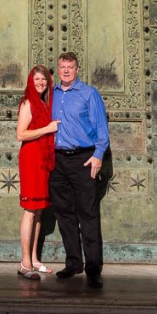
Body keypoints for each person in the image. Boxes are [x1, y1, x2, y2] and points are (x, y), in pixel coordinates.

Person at [50, 51, 109, 289]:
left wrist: (97, 155)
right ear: (58, 68)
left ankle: (93, 268)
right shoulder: (51, 95)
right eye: (62, 67)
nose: (66, 71)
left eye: (70, 67)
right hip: (57, 160)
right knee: (64, 214)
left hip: (83, 159)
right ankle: (74, 263)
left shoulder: (89, 94)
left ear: (77, 69)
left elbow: (101, 128)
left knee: (88, 214)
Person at [16, 64, 60, 280]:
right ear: (30, 82)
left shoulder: (43, 103)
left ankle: (34, 258)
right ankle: (24, 263)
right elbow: (20, 134)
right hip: (31, 159)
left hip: (42, 160)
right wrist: (47, 129)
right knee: (30, 209)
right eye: (37, 80)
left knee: (40, 209)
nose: (41, 83)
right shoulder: (28, 103)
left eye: (44, 80)